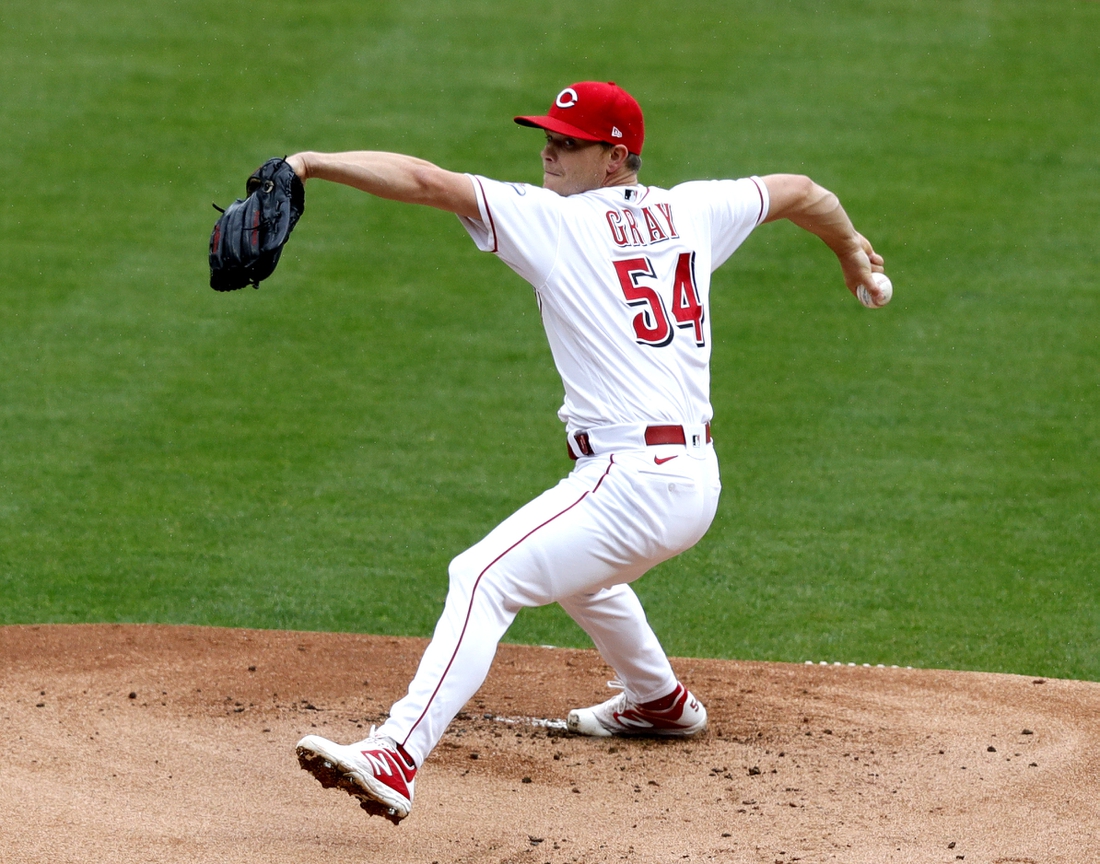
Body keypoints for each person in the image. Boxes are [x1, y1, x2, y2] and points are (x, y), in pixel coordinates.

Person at [290, 81, 886, 824]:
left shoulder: (552, 223)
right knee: (583, 573)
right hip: (690, 481)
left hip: (632, 482)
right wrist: (851, 257)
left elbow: (425, 181)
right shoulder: (694, 209)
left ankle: (395, 753)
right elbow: (801, 190)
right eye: (548, 135)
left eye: (567, 141)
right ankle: (659, 702)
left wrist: (310, 161)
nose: (547, 149)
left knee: (480, 576)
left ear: (614, 157)